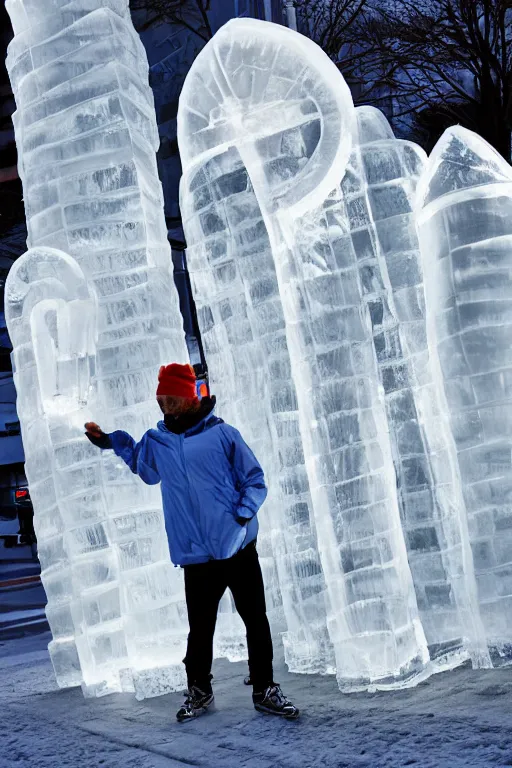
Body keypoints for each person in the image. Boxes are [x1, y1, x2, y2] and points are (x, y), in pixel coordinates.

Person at [85, 363, 299, 722]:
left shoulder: (223, 434)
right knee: (200, 629)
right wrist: (110, 441)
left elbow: (255, 479)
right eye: (161, 399)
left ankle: (266, 689)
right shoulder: (158, 442)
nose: (165, 405)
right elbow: (145, 469)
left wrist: (241, 517)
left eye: (171, 399)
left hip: (237, 547)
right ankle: (199, 691)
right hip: (196, 556)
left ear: (188, 397)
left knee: (255, 620)